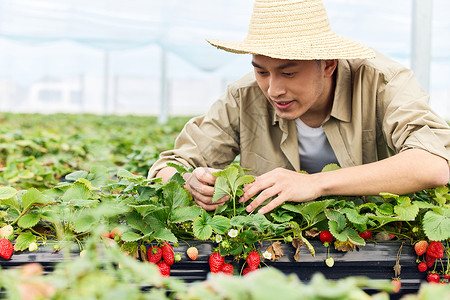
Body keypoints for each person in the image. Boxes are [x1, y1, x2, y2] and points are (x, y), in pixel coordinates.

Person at [148, 0, 450, 215]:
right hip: (273, 253)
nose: (273, 89)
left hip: (375, 246)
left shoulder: (383, 82)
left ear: (328, 64)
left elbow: (433, 164)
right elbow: (168, 168)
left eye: (288, 73)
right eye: (262, 71)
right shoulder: (243, 96)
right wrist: (189, 182)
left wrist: (314, 184)